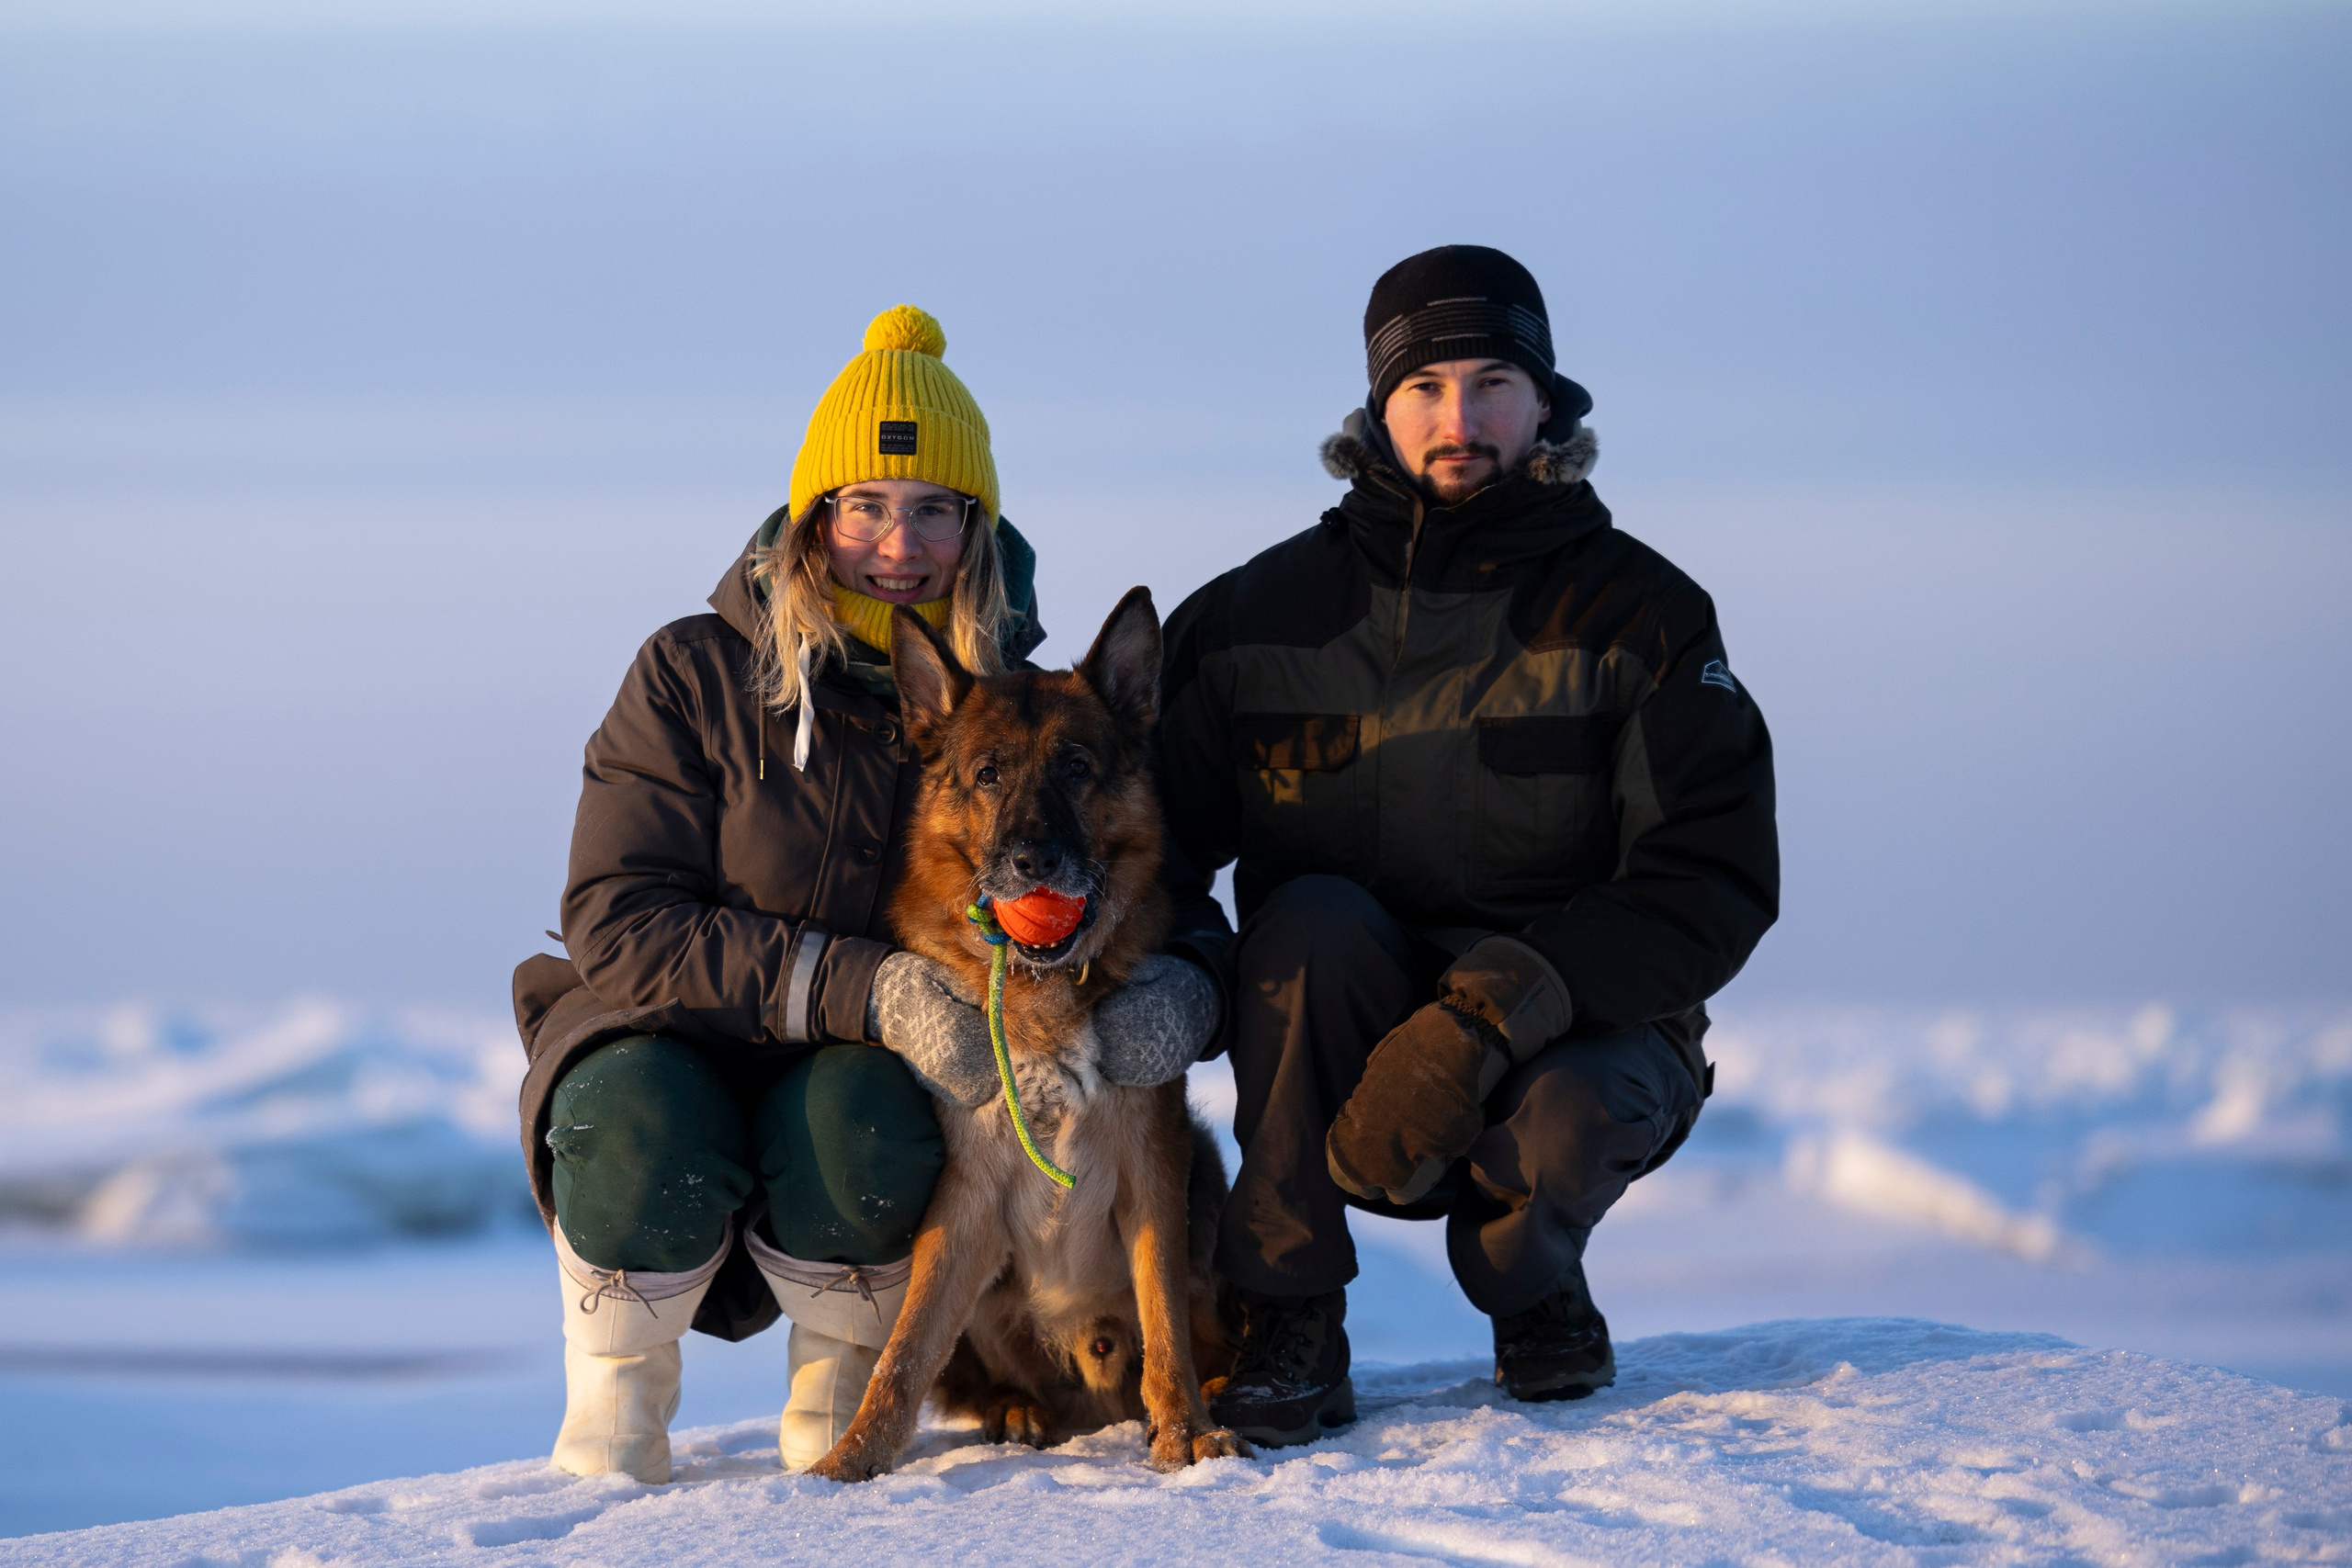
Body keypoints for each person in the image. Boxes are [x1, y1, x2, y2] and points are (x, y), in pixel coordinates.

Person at [509, 305, 1220, 1483]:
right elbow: (617, 921)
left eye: (935, 508)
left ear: (976, 527)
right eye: (866, 507)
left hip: (851, 1065)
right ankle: (613, 1429)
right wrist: (866, 984)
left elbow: (1131, 859)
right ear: (813, 519)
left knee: (868, 1123)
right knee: (637, 1120)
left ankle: (835, 1409)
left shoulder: (1006, 700)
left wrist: (1188, 979)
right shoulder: (694, 672)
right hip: (671, 1031)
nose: (901, 542)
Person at [1157, 246, 1780, 1447]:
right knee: (1306, 924)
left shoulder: (1643, 615)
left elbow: (1713, 879)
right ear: (1375, 407)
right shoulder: (1254, 619)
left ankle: (1531, 1273)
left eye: (1492, 380)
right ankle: (1287, 1306)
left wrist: (1490, 1012)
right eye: (1425, 386)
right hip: (1342, 1045)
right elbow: (1154, 850)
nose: (1460, 417)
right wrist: (1185, 978)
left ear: (1544, 399)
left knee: (1560, 1119)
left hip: (1581, 1024)